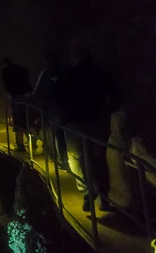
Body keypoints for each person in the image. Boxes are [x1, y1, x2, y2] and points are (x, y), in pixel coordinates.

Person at [58, 48, 123, 212]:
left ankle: (87, 194)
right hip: (96, 122)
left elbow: (58, 97)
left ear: (76, 58)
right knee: (98, 159)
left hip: (74, 124)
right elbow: (116, 94)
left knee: (77, 158)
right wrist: (107, 110)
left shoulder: (69, 75)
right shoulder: (100, 73)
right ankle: (104, 197)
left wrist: (63, 117)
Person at [30, 50, 69, 169]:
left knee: (58, 134)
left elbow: (38, 92)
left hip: (55, 109)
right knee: (66, 133)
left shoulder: (46, 73)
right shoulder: (65, 70)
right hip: (67, 108)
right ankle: (65, 159)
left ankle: (63, 161)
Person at [2, 58, 33, 152]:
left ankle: (20, 145)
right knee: (27, 120)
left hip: (16, 97)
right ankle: (32, 144)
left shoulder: (6, 71)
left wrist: (9, 93)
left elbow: (6, 85)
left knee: (18, 121)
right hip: (26, 97)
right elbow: (28, 82)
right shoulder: (22, 69)